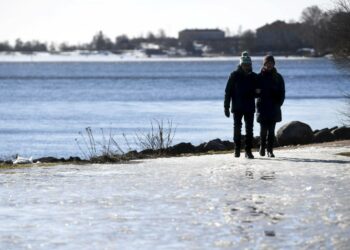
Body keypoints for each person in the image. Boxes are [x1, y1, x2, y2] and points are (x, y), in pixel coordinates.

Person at [224, 51, 258, 159]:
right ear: (241, 64)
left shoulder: (254, 76)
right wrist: (226, 106)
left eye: (248, 65)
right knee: (237, 128)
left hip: (249, 107)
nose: (246, 66)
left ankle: (248, 151)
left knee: (249, 129)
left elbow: (259, 92)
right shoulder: (234, 75)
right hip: (237, 107)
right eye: (244, 64)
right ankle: (237, 149)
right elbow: (228, 92)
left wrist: (257, 92)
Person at [256, 55, 285, 157]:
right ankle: (262, 147)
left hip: (274, 108)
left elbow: (282, 93)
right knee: (263, 130)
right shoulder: (258, 77)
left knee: (271, 131)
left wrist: (279, 104)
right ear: (264, 64)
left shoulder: (278, 77)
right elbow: (253, 93)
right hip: (262, 107)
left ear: (273, 64)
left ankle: (270, 150)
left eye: (271, 63)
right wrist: (257, 92)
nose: (269, 65)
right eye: (267, 63)